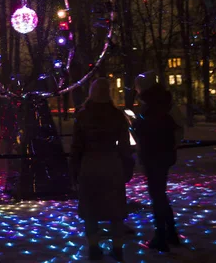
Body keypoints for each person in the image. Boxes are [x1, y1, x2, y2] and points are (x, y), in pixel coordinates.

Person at [71, 78, 131, 261]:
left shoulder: (83, 115)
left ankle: (94, 247)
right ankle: (118, 248)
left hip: (90, 165)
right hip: (112, 164)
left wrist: (74, 170)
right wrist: (127, 167)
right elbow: (124, 146)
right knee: (115, 210)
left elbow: (76, 146)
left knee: (91, 209)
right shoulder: (117, 115)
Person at [132, 71, 180, 252]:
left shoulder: (149, 105)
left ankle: (161, 236)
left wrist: (136, 125)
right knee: (160, 194)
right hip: (165, 154)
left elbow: (145, 131)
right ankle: (171, 233)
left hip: (153, 154)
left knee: (157, 195)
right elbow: (177, 128)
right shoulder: (166, 102)